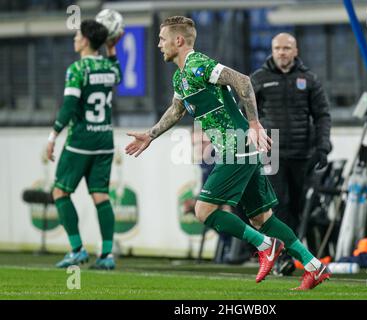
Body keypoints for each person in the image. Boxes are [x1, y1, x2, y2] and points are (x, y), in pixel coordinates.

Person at [125, 16, 330, 290]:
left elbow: (242, 81)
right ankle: (314, 267)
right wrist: (150, 135)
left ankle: (265, 246)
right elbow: (177, 110)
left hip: (237, 145)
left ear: (178, 40)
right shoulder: (181, 76)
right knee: (261, 218)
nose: (158, 44)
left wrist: (254, 123)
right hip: (233, 148)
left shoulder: (198, 64)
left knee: (203, 210)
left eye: (162, 39)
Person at [250, 33, 332, 275]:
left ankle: (293, 255)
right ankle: (282, 258)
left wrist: (322, 146)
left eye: (286, 48)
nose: (282, 52)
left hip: (302, 155)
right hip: (271, 154)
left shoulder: (309, 79)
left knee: (298, 207)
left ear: (295, 51)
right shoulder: (258, 79)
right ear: (272, 50)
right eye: (277, 48)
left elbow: (322, 115)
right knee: (279, 205)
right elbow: (246, 114)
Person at [46, 19, 122, 270]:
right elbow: (118, 75)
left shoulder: (77, 69)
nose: (74, 39)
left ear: (86, 40)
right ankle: (107, 255)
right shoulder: (109, 68)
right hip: (104, 141)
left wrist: (53, 135)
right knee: (100, 195)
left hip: (80, 141)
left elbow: (69, 106)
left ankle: (77, 250)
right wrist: (111, 49)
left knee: (60, 192)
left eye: (78, 35)